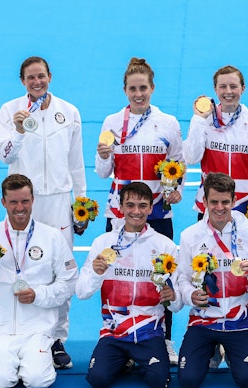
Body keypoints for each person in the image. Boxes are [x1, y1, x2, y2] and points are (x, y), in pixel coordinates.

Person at [0, 55, 87, 369]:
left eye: (41, 77)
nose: (37, 83)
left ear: (50, 76)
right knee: (18, 265)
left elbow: (76, 162)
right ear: (23, 81)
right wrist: (19, 130)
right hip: (25, 203)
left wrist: (82, 202)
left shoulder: (69, 112)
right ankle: (5, 333)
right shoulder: (10, 111)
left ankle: (57, 338)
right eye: (30, 78)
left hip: (60, 201)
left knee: (61, 269)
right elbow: (4, 153)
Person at [95, 57, 184, 366]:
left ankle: (165, 338)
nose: (138, 94)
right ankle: (114, 333)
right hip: (120, 215)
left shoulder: (168, 123)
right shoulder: (110, 123)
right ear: (124, 90)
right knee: (116, 276)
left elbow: (178, 163)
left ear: (152, 88)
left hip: (158, 214)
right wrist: (105, 156)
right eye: (132, 89)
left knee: (162, 278)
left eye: (143, 88)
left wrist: (177, 190)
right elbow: (102, 172)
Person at [0, 174, 78, 388]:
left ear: (32, 200)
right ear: (3, 202)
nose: (20, 207)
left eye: (25, 201)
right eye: (13, 202)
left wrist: (38, 295)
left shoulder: (52, 237)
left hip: (37, 328)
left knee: (38, 381)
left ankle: (35, 356)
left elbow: (69, 282)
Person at [76, 182, 183, 388]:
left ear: (151, 208)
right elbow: (81, 292)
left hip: (149, 332)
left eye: (143, 206)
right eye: (131, 205)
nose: (136, 211)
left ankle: (135, 359)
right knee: (97, 380)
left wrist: (173, 296)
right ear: (121, 207)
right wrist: (97, 275)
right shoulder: (103, 243)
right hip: (114, 331)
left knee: (158, 381)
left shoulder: (165, 246)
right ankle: (125, 358)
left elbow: (176, 306)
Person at [176, 173, 248, 388]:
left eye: (225, 202)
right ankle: (212, 349)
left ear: (234, 201)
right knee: (188, 380)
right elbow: (182, 278)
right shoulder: (190, 236)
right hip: (202, 321)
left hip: (238, 322)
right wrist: (189, 295)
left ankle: (230, 351)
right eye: (213, 202)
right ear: (204, 202)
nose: (219, 207)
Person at [182, 65, 248, 220]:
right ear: (215, 89)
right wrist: (198, 119)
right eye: (222, 86)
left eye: (233, 86)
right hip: (211, 205)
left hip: (246, 205)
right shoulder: (204, 120)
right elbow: (191, 158)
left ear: (243, 88)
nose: (228, 92)